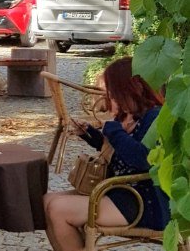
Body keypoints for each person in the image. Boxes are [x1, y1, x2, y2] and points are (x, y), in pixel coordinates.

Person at [43, 57, 168, 251]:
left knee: (57, 210)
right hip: (120, 192)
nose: (109, 97)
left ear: (127, 88)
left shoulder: (155, 116)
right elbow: (119, 152)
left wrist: (113, 129)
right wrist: (90, 135)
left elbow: (142, 159)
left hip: (143, 201)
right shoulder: (130, 115)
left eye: (111, 92)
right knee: (46, 201)